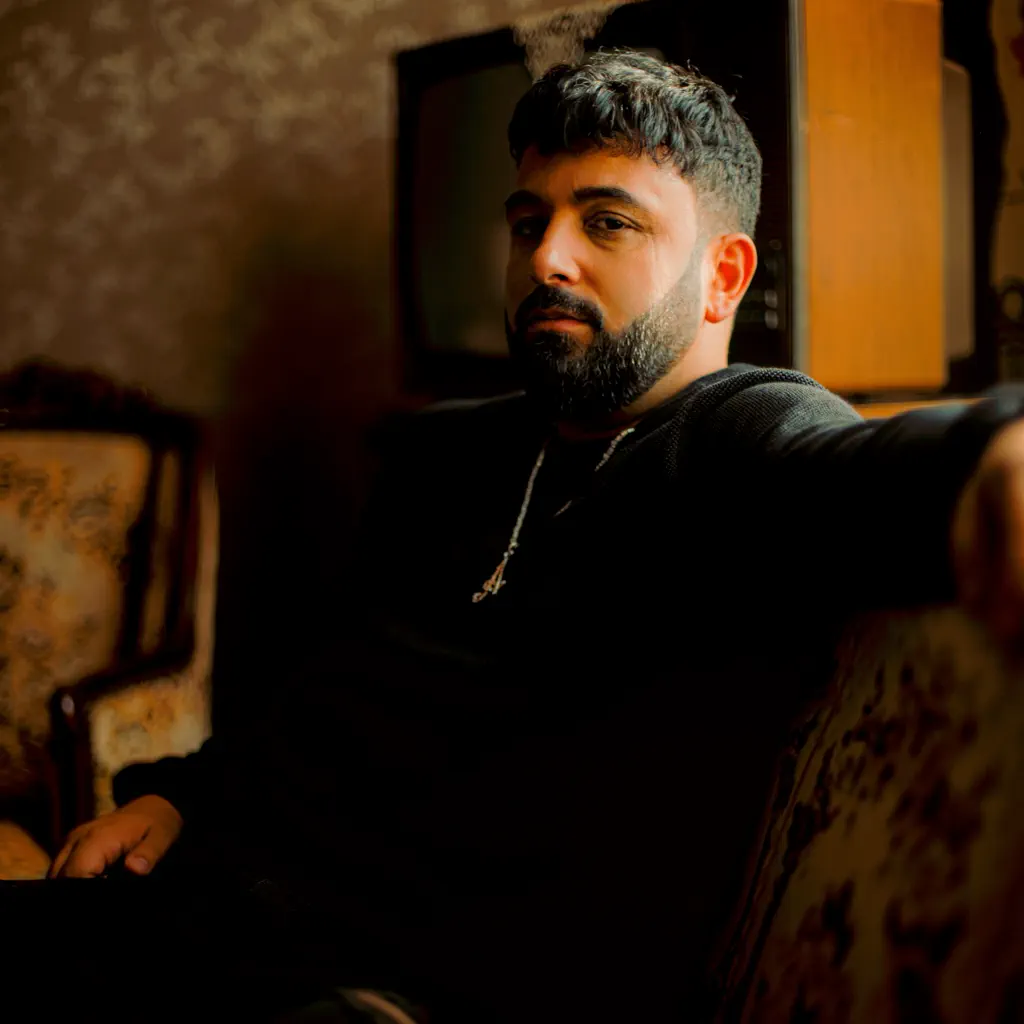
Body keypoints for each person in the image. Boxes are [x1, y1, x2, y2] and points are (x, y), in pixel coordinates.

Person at [12, 50, 1024, 1023]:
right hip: (201, 920)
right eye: (528, 221)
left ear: (723, 276)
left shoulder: (736, 439)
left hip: (377, 991)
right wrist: (182, 801)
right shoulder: (442, 452)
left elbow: (881, 469)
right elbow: (316, 698)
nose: (546, 258)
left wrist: (999, 456)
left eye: (608, 222)